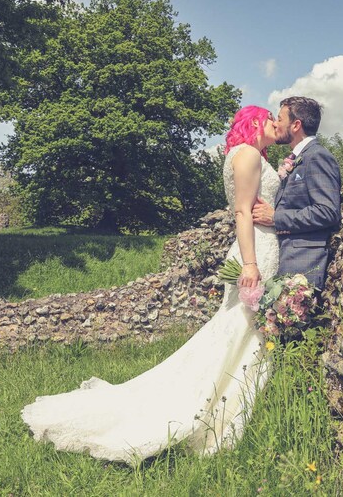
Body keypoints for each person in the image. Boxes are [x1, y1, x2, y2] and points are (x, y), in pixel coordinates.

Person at [21, 106, 281, 463]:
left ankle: (231, 403)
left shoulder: (243, 154)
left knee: (241, 330)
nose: (275, 126)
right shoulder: (248, 154)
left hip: (259, 244)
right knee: (239, 328)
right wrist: (250, 263)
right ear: (254, 123)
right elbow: (241, 211)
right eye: (270, 120)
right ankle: (206, 411)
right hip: (256, 248)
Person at [253, 96, 341, 290]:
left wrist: (276, 218)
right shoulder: (299, 157)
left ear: (296, 125)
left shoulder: (317, 156)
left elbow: (328, 211)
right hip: (287, 257)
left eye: (279, 119)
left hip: (304, 262)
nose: (275, 124)